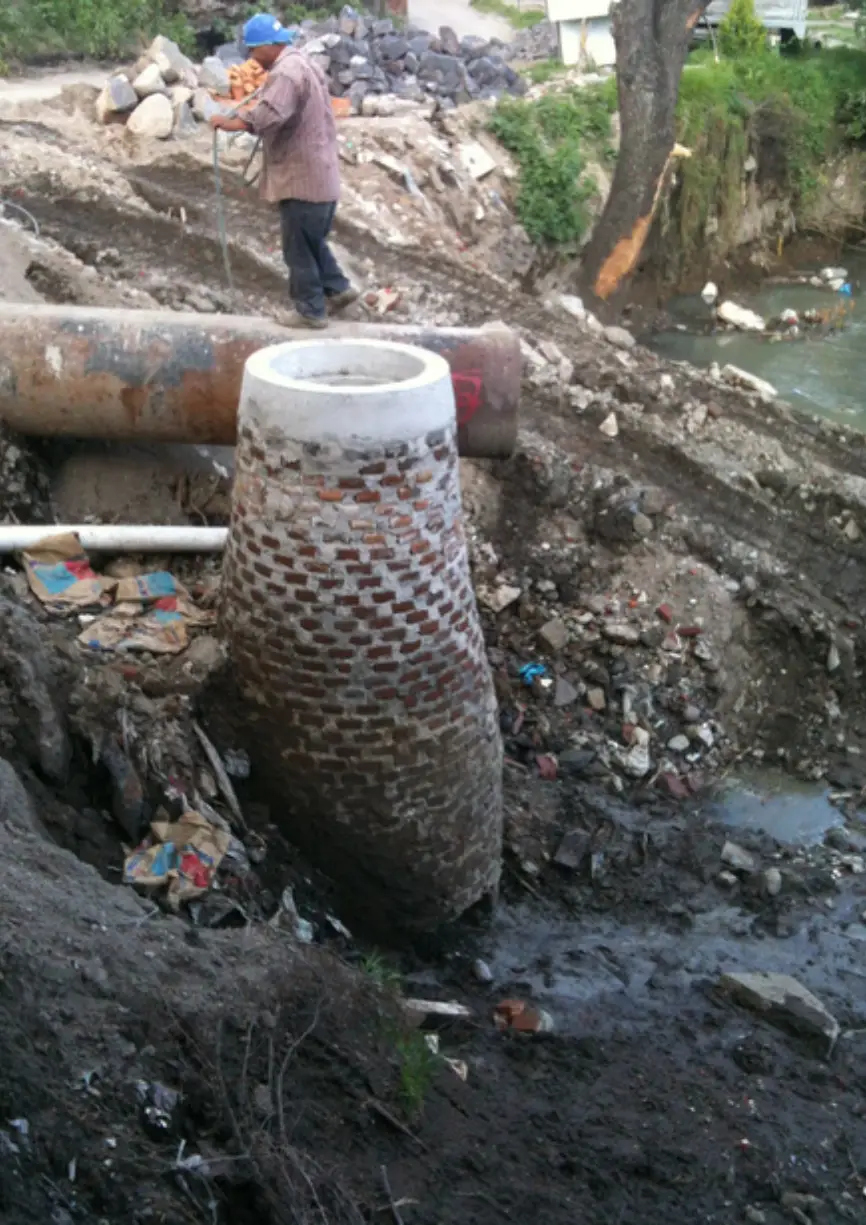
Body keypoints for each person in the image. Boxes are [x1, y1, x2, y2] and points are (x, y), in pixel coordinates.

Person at [211, 12, 356, 329]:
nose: (252, 57)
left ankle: (310, 310)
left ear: (267, 45)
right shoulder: (303, 64)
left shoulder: (286, 73)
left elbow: (267, 118)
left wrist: (228, 122)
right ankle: (338, 288)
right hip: (322, 177)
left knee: (297, 248)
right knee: (311, 239)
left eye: (253, 50)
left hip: (301, 178)